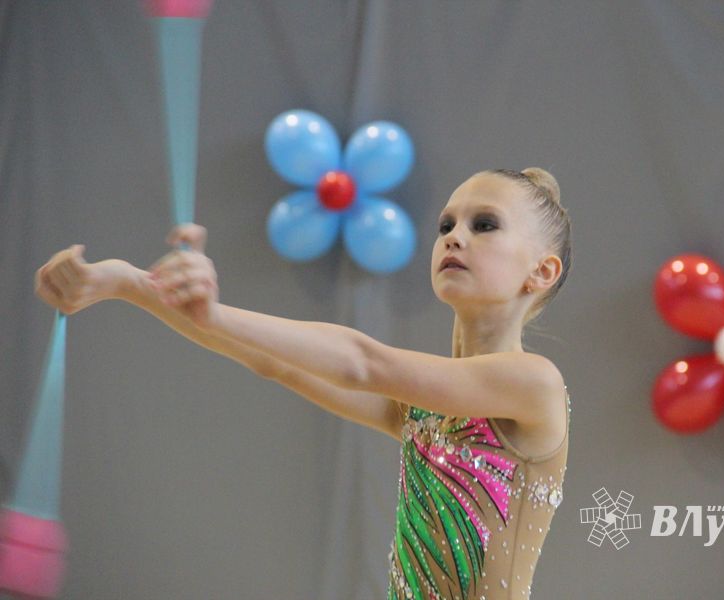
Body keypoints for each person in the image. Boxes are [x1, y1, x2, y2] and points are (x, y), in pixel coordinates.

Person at [35, 167, 573, 599]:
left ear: (541, 272)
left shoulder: (533, 384)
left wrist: (214, 313)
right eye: (446, 225)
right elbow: (274, 361)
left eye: (484, 225)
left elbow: (363, 362)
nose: (455, 236)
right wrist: (128, 283)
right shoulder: (420, 410)